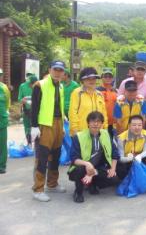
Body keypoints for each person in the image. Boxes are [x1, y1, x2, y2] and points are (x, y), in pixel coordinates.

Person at [30, 61, 66, 201]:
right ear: (50, 69)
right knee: (42, 156)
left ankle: (52, 184)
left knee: (55, 155)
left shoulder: (61, 86)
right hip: (45, 124)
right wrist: (34, 126)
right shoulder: (40, 85)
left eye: (60, 70)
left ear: (63, 73)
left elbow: (59, 106)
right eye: (55, 69)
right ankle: (38, 189)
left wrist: (62, 124)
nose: (58, 72)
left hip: (58, 123)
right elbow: (34, 107)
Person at [68, 111, 119, 203]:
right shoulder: (79, 137)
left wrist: (113, 169)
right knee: (79, 169)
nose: (96, 124)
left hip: (98, 168)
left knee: (113, 178)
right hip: (82, 167)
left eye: (99, 121)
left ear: (102, 124)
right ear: (88, 123)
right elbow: (74, 158)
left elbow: (115, 153)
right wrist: (87, 164)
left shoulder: (106, 134)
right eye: (93, 121)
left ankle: (93, 183)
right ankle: (78, 192)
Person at [69, 68, 108, 136]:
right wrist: (75, 131)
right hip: (81, 133)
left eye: (94, 78)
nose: (91, 81)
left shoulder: (99, 94)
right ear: (82, 80)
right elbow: (73, 113)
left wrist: (105, 129)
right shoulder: (77, 93)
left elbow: (104, 114)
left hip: (98, 132)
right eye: (88, 79)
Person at [115, 115, 146, 180]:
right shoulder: (121, 138)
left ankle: (144, 178)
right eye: (134, 125)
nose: (137, 127)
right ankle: (126, 181)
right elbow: (120, 158)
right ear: (129, 126)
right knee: (121, 167)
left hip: (139, 157)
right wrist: (130, 158)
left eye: (139, 125)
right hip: (127, 159)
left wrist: (139, 156)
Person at [97, 67, 118, 138]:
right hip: (100, 123)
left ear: (112, 78)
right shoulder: (97, 91)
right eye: (105, 76)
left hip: (113, 124)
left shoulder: (115, 91)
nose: (108, 78)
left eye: (110, 76)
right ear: (101, 78)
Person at [18, 74, 38, 146]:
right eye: (29, 83)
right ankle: (29, 143)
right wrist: (22, 100)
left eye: (31, 84)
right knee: (27, 127)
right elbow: (19, 98)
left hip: (36, 111)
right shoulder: (22, 86)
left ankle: (37, 145)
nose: (30, 85)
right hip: (26, 110)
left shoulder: (39, 86)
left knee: (36, 127)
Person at [0, 68, 11, 174]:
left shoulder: (4, 88)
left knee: (2, 144)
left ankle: (2, 166)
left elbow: (8, 102)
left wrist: (6, 112)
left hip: (2, 120)